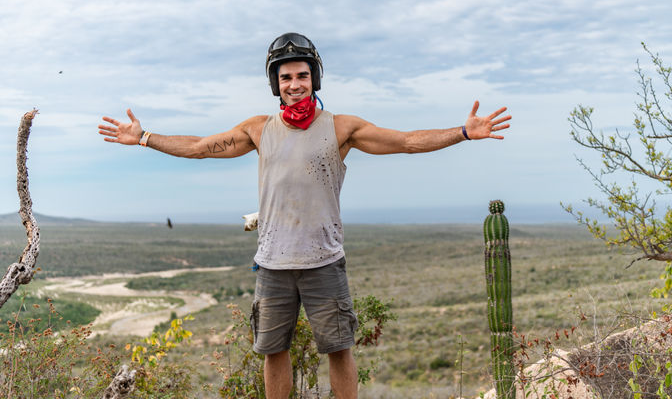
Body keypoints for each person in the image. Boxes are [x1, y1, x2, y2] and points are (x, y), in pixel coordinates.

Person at [98, 32, 511, 399]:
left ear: (314, 79)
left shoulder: (341, 127)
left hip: (324, 262)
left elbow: (405, 141)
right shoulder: (259, 129)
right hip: (273, 264)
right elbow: (201, 147)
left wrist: (462, 132)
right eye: (286, 78)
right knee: (272, 350)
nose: (294, 85)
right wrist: (146, 138)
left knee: (338, 348)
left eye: (302, 76)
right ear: (275, 85)